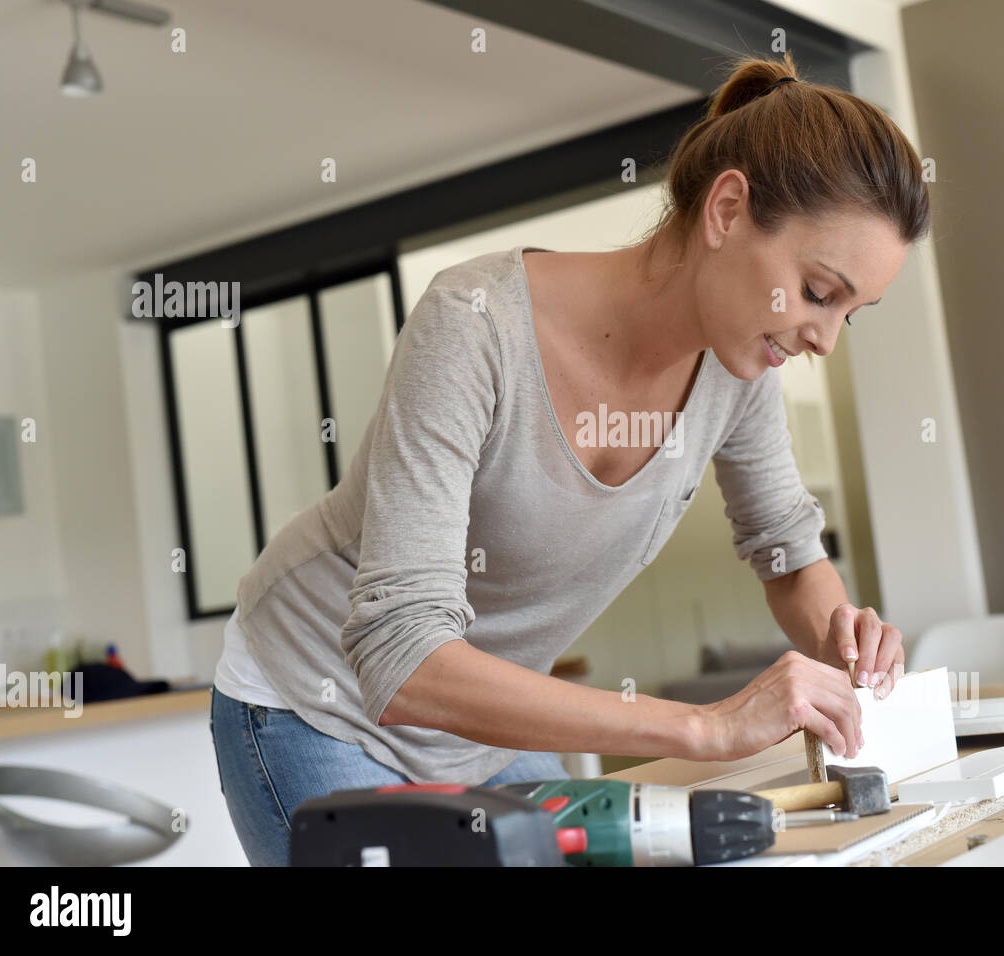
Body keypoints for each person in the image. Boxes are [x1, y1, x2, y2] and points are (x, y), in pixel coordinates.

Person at [209, 51, 929, 866]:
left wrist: (843, 646)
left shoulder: (737, 368)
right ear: (727, 209)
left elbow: (788, 554)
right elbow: (400, 657)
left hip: (479, 731)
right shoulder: (474, 325)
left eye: (852, 314)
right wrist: (706, 727)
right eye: (817, 292)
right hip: (321, 707)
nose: (824, 341)